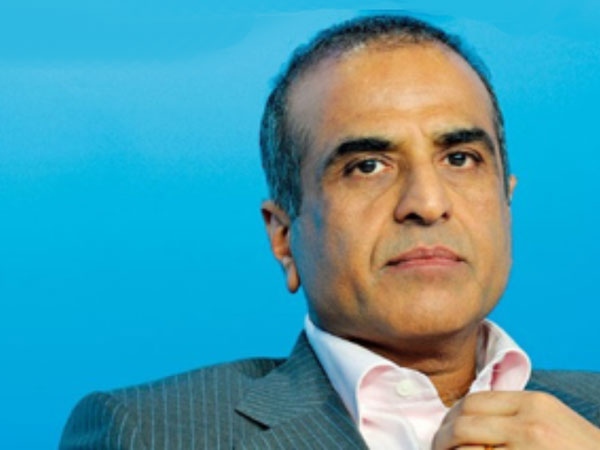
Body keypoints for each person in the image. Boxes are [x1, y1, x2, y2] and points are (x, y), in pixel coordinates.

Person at [60, 14, 600, 450]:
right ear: (283, 237)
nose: (428, 203)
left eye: (460, 158)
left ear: (507, 201)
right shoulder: (151, 432)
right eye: (367, 166)